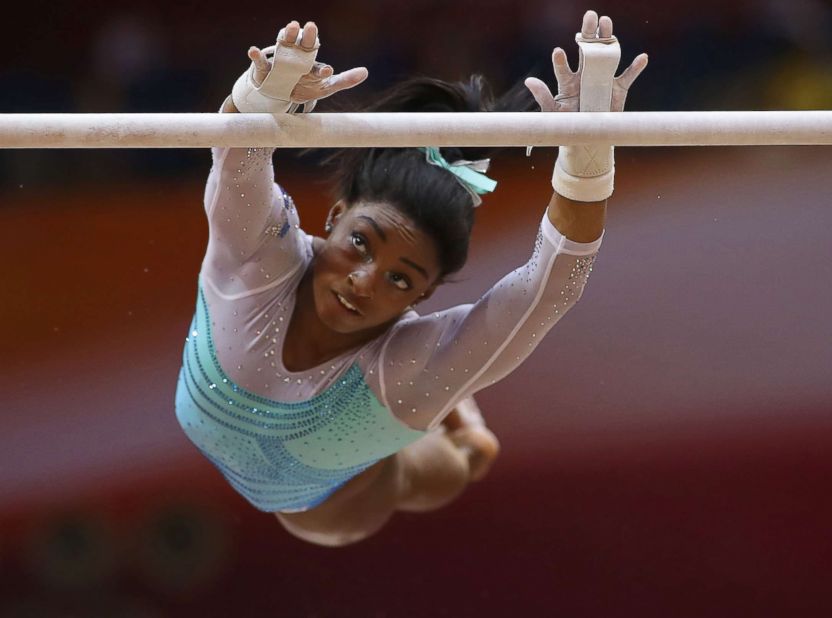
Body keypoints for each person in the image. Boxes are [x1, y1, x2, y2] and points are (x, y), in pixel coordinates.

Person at [175, 10, 647, 547]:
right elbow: (237, 154)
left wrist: (588, 156)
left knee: (454, 464)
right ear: (334, 216)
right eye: (359, 243)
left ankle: (468, 438)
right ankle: (454, 395)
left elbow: (549, 289)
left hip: (329, 500)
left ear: (425, 293)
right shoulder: (262, 258)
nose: (364, 281)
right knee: (442, 373)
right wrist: (265, 97)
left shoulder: (405, 373)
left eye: (401, 280)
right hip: (405, 383)